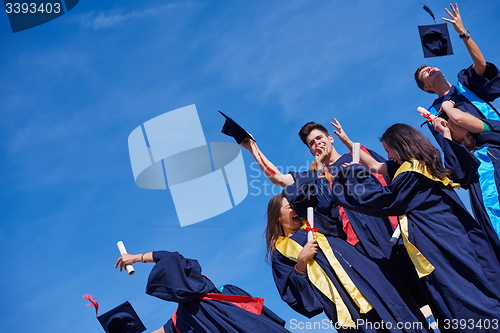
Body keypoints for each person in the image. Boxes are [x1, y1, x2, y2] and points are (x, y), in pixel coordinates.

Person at [326, 123, 500, 332]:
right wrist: (348, 142)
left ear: (400, 146)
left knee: (463, 295)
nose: (388, 157)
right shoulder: (418, 165)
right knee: (456, 294)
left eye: (388, 151)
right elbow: (374, 165)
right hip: (445, 239)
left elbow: (384, 199)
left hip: (441, 241)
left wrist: (352, 177)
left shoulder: (412, 174)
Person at [242, 122, 419, 294]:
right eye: (311, 143)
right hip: (358, 243)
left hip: (391, 228)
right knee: (395, 295)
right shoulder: (315, 176)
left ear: (330, 138)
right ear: (311, 151)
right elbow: (278, 178)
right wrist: (252, 148)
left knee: (422, 282)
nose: (317, 143)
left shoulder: (358, 156)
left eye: (319, 138)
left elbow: (394, 179)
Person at [266, 193, 431, 333]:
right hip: (342, 300)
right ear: (277, 216)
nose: (295, 209)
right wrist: (301, 262)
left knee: (402, 319)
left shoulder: (316, 223)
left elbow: (327, 204)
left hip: (368, 280)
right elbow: (292, 295)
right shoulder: (281, 254)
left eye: (296, 205)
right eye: (289, 207)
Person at [414, 3, 500, 238]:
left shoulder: (466, 84)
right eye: (425, 74)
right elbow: (451, 148)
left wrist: (463, 32)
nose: (429, 69)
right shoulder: (435, 113)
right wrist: (445, 129)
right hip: (483, 164)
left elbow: (481, 65)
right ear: (426, 88)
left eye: (430, 67)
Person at [115, 250, 291, 333]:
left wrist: (135, 258)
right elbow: (170, 258)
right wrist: (137, 258)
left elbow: (170, 258)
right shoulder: (191, 308)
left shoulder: (192, 305)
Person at [431, 108, 500, 239]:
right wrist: (446, 133)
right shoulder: (468, 164)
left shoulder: (494, 143)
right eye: (461, 141)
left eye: (469, 135)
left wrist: (448, 105)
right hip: (493, 217)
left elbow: (461, 119)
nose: (468, 142)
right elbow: (457, 175)